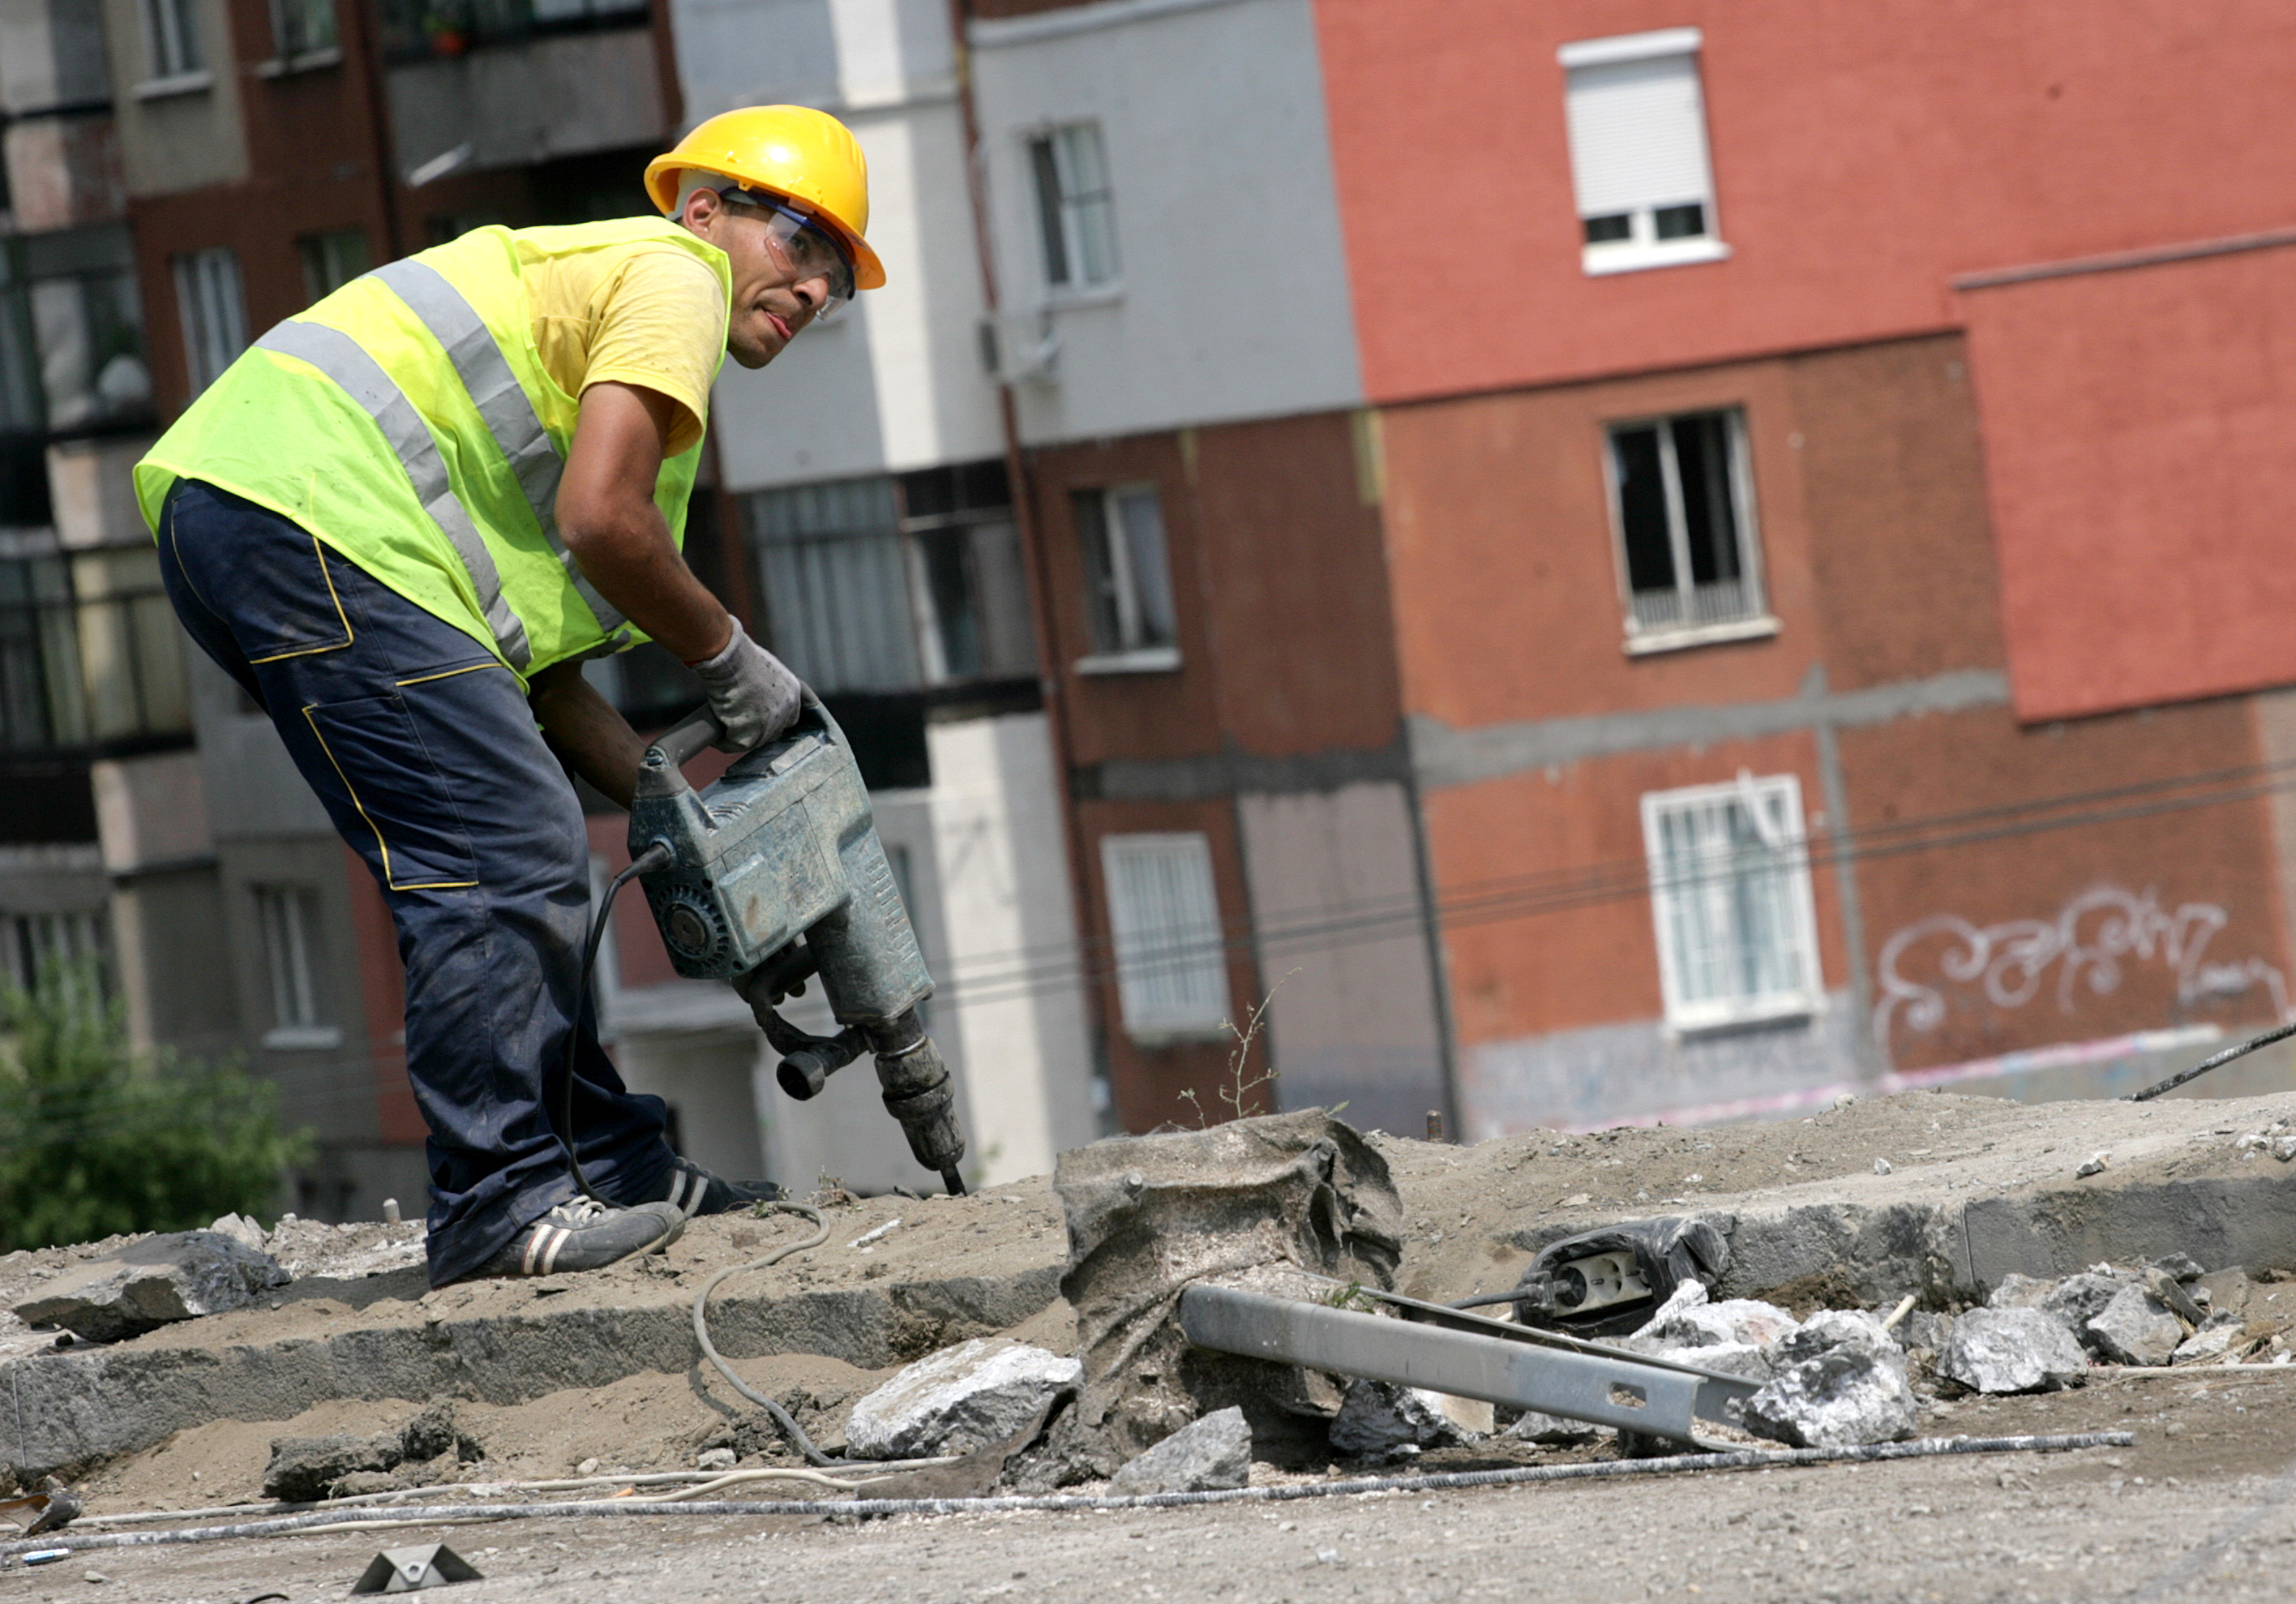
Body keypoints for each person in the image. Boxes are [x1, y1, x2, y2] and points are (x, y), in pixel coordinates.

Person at [135, 106, 887, 1285]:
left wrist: (679, 818)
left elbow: (537, 677)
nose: (813, 290)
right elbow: (604, 523)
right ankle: (496, 1205)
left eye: (838, 280)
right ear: (705, 209)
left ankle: (604, 1161)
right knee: (504, 852)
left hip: (260, 515)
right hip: (308, 511)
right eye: (799, 240)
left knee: (521, 840)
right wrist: (733, 658)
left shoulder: (610, 329)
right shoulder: (671, 277)